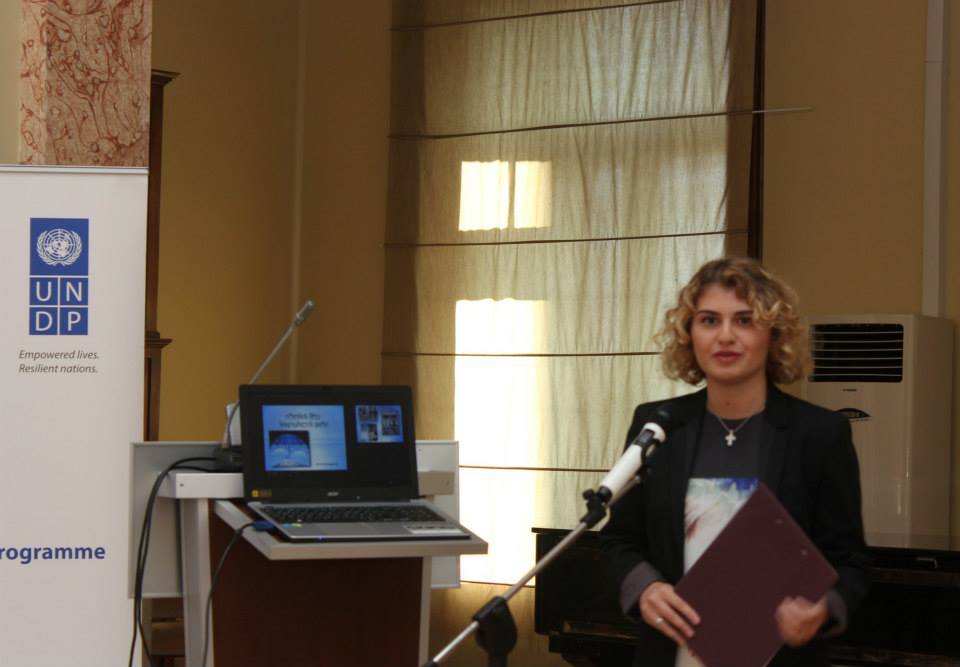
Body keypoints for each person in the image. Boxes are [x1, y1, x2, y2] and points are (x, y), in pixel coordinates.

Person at [600, 257, 870, 667]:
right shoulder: (657, 425)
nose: (725, 336)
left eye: (744, 321)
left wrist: (823, 608)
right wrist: (646, 588)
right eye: (709, 320)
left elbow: (851, 562)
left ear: (773, 335)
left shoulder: (819, 434)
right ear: (689, 334)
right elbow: (619, 539)